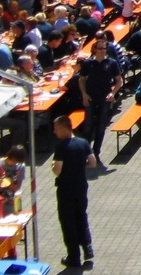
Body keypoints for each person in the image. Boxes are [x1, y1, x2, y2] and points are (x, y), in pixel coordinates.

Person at [53, 114, 97, 268]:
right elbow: (92, 163)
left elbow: (57, 170)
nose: (55, 132)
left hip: (66, 188)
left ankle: (74, 256)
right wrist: (79, 164)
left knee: (68, 221)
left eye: (57, 129)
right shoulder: (83, 143)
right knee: (81, 216)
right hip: (81, 186)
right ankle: (87, 247)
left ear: (65, 129)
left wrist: (54, 167)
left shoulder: (62, 147)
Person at [77, 38, 123, 163]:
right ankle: (86, 152)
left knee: (101, 127)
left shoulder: (111, 63)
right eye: (100, 48)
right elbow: (81, 79)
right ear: (95, 49)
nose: (102, 51)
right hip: (91, 96)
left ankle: (96, 152)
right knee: (88, 125)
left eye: (104, 48)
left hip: (104, 97)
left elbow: (119, 80)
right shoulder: (88, 63)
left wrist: (113, 93)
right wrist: (84, 94)